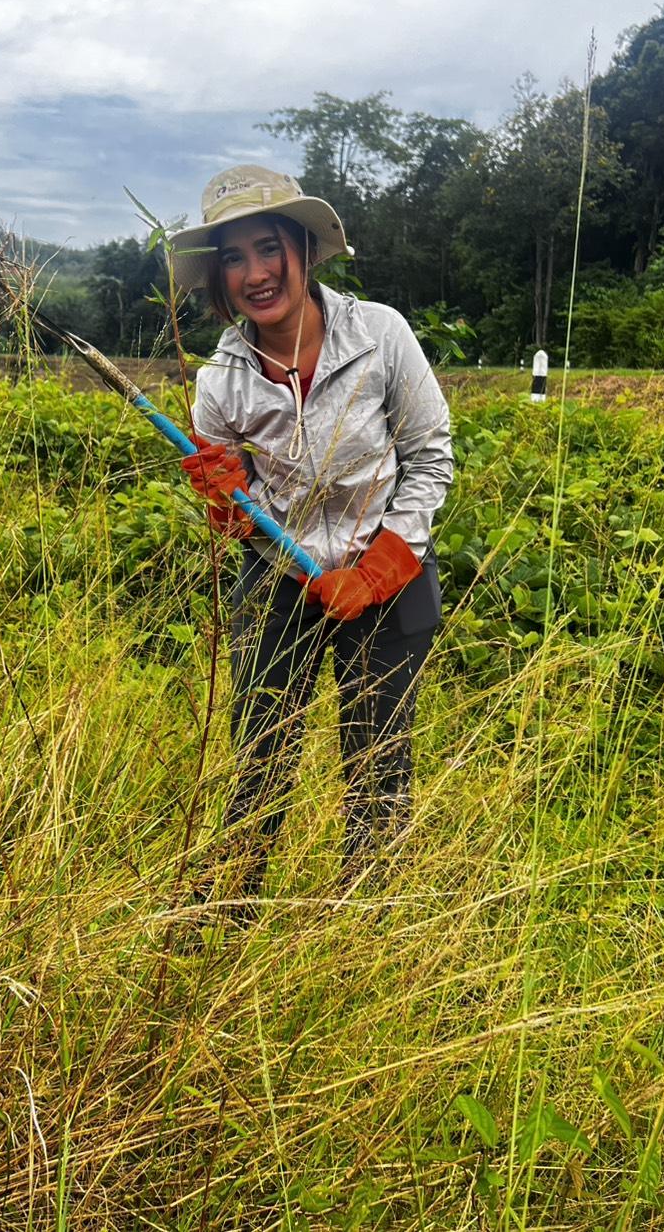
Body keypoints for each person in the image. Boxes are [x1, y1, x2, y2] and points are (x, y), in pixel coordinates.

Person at [170, 165, 453, 915]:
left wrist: (381, 567)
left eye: (269, 248)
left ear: (302, 248)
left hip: (388, 580)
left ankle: (366, 925)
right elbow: (238, 515)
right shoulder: (220, 379)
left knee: (379, 764)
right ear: (219, 277)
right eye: (234, 258)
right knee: (260, 757)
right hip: (280, 580)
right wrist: (226, 500)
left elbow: (430, 457)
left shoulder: (380, 334)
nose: (256, 274)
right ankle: (226, 920)